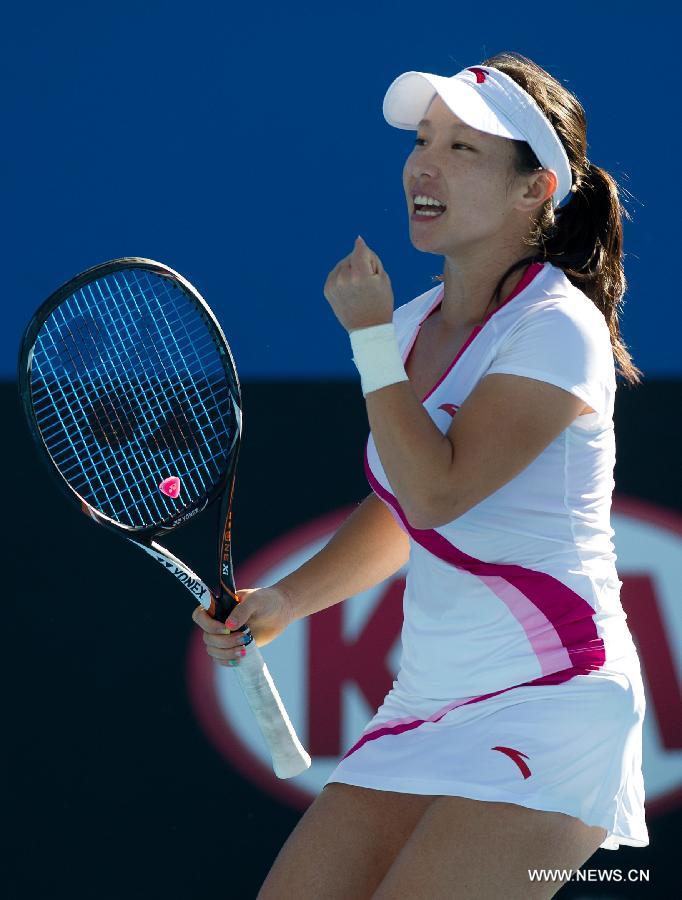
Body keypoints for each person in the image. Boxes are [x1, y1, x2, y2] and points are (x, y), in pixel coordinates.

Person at [192, 51, 648, 898]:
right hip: (426, 703)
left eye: (464, 148)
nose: (423, 165)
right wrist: (286, 601)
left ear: (535, 190)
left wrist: (366, 340)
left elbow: (438, 495)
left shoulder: (557, 330)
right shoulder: (407, 325)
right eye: (423, 140)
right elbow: (401, 506)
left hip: (554, 700)